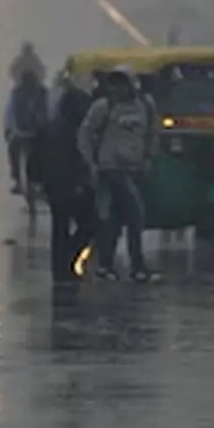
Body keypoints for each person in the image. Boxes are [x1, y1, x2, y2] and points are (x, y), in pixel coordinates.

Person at [76, 66, 160, 282]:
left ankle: (105, 265)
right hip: (110, 170)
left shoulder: (146, 107)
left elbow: (153, 134)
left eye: (123, 83)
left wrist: (149, 157)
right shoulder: (103, 107)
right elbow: (84, 134)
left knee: (114, 221)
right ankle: (137, 266)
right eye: (115, 83)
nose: (119, 88)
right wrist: (91, 163)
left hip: (135, 170)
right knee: (136, 215)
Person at [42, 77, 100, 283]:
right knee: (89, 223)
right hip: (70, 184)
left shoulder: (52, 126)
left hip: (55, 184)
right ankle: (65, 263)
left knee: (61, 227)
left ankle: (61, 268)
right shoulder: (73, 132)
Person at [3, 69, 50, 194]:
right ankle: (18, 180)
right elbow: (11, 111)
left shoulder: (42, 93)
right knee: (14, 152)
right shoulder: (17, 93)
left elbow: (49, 110)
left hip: (38, 132)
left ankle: (39, 181)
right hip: (21, 131)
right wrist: (9, 128)